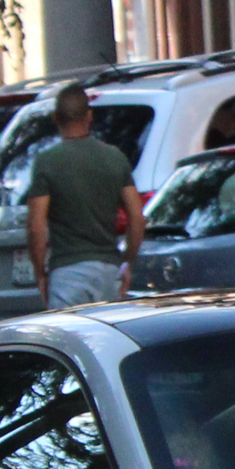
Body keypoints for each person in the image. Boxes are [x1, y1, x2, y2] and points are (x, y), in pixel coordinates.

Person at [25, 83, 144, 307]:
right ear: (89, 115)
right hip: (109, 270)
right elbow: (137, 217)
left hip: (67, 272)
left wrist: (40, 272)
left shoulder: (47, 162)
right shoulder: (114, 157)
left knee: (68, 338)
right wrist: (127, 262)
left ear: (55, 117)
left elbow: (36, 226)